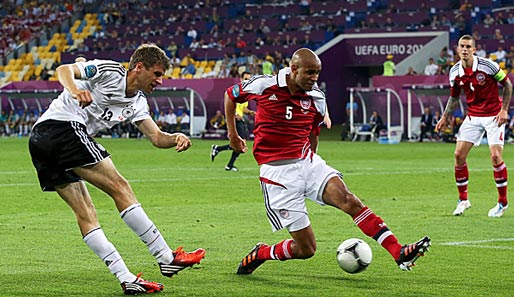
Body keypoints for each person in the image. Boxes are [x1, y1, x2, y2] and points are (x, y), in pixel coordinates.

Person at [224, 48, 431, 275]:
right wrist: (233, 135)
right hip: (277, 175)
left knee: (350, 201)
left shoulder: (317, 97)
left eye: (318, 73)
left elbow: (313, 133)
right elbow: (230, 95)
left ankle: (398, 251)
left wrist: (312, 165)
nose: (315, 78)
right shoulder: (264, 85)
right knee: (306, 249)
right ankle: (261, 253)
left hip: (308, 163)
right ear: (294, 69)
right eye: (310, 73)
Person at [27, 44, 206, 295]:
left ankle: (126, 278)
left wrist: (175, 137)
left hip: (41, 141)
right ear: (139, 67)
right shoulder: (109, 70)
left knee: (86, 213)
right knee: (120, 187)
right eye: (157, 74)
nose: (161, 81)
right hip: (61, 128)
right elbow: (64, 69)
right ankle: (166, 258)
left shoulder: (138, 102)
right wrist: (75, 89)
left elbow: (156, 137)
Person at [435, 35, 513, 217]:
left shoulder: (488, 66)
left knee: (495, 156)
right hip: (474, 116)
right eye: (461, 46)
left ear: (474, 49)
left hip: (494, 116)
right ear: (457, 49)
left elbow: (507, 84)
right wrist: (445, 117)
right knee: (458, 155)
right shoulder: (454, 72)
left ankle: (502, 203)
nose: (464, 49)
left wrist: (504, 110)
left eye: (468, 46)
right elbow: (454, 97)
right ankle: (463, 200)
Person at [211, 71, 255, 171]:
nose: (247, 81)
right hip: (235, 120)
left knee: (241, 143)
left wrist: (251, 112)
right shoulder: (236, 91)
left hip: (240, 119)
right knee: (241, 143)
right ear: (241, 79)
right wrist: (234, 114)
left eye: (249, 79)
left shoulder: (247, 93)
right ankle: (228, 163)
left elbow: (243, 108)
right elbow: (229, 102)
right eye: (245, 79)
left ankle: (220, 152)